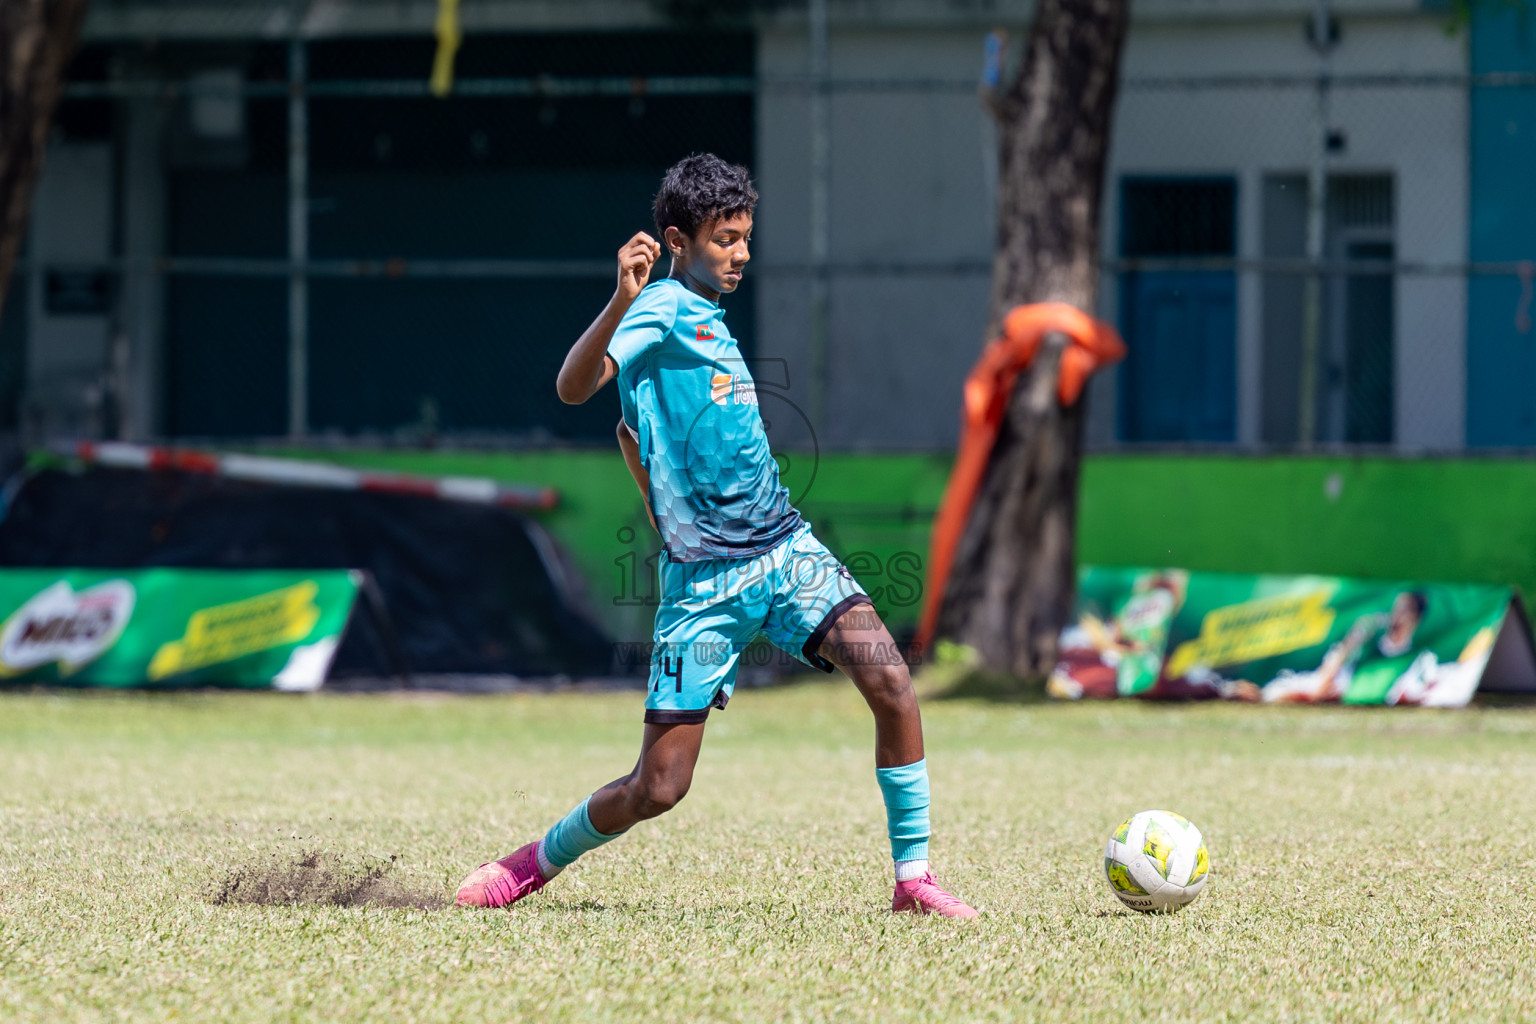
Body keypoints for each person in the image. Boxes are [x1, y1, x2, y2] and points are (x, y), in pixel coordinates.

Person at [455, 154, 976, 918]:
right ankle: (527, 865)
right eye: (725, 239)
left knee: (894, 684)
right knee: (657, 788)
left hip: (785, 549)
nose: (741, 255)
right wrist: (619, 303)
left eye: (745, 238)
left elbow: (640, 433)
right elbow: (574, 387)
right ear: (677, 239)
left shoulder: (706, 317)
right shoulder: (660, 308)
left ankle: (914, 882)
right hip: (706, 584)